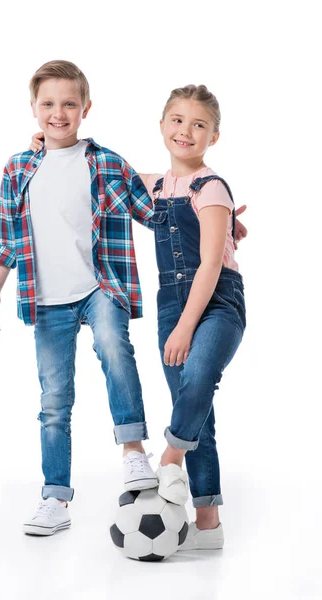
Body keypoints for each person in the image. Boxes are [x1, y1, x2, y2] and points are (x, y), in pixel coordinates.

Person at [0, 60, 159, 537]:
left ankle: (133, 452)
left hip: (100, 285)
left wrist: (212, 212)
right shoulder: (18, 167)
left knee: (114, 346)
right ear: (34, 109)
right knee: (54, 400)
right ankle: (55, 498)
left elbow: (153, 209)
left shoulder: (105, 162)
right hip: (46, 298)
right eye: (48, 104)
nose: (58, 113)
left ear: (85, 108)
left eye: (68, 104)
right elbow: (7, 239)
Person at [141, 85, 247, 551]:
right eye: (177, 120)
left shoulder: (213, 186)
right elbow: (99, 168)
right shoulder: (158, 186)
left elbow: (208, 264)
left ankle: (168, 460)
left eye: (198, 124)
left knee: (200, 376)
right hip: (170, 302)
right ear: (162, 126)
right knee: (195, 405)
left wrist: (185, 326)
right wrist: (40, 144)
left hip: (217, 300)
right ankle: (208, 523)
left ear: (214, 137)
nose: (186, 131)